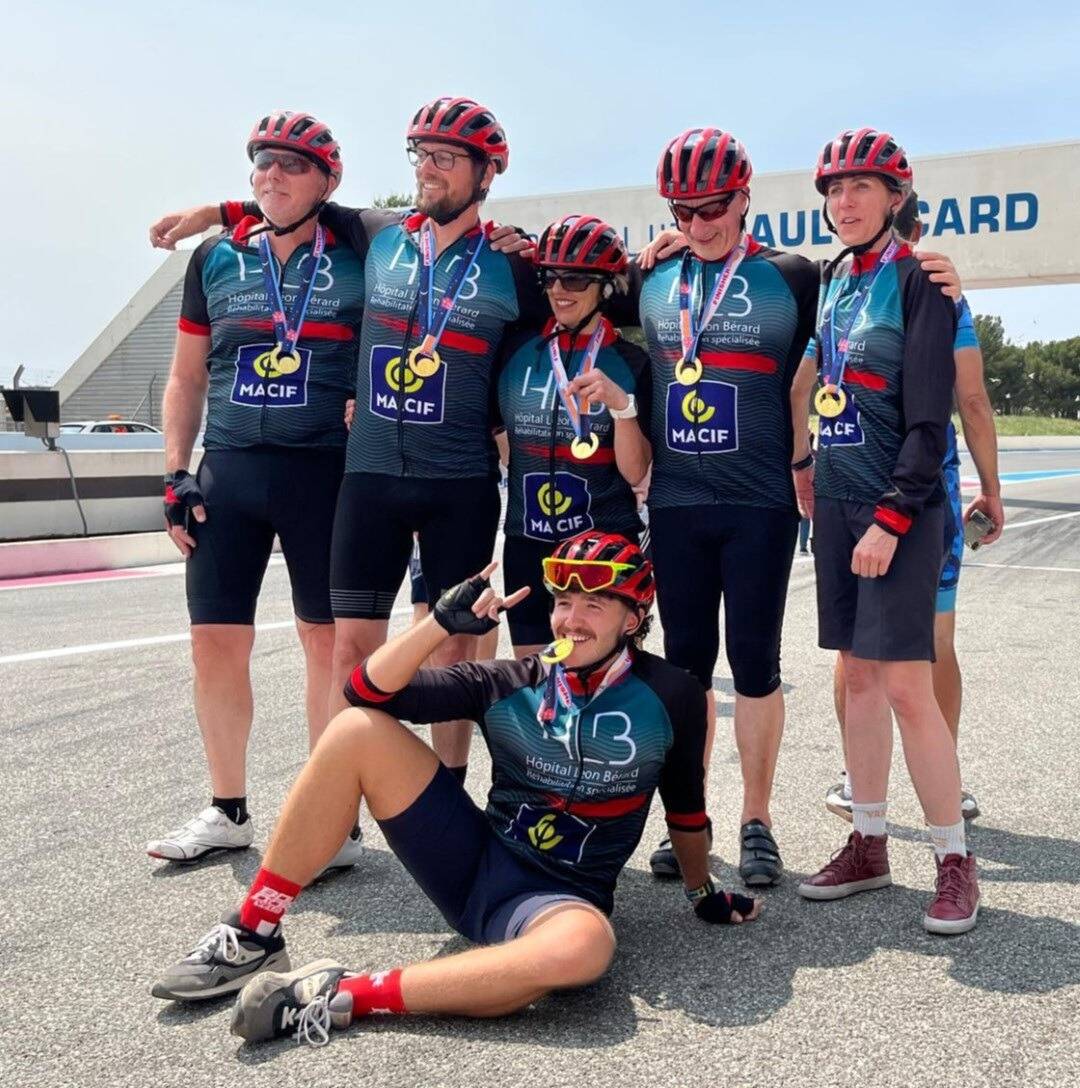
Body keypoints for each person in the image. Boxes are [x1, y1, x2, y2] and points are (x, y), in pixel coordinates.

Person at [150, 532, 759, 1048]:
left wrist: (702, 891)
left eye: (595, 604)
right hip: (470, 861)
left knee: (587, 948)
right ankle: (256, 931)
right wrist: (439, 625)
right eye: (564, 600)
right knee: (356, 731)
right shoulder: (511, 678)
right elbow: (367, 692)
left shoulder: (673, 694)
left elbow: (685, 808)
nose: (572, 618)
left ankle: (341, 994)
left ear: (634, 618)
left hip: (556, 902)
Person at [151, 97, 545, 787]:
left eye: (444, 159)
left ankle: (446, 789)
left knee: (455, 647)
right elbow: (287, 202)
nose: (427, 170)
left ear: (487, 174)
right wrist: (216, 213)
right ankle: (347, 797)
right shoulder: (378, 235)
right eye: (420, 155)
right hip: (367, 479)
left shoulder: (513, 267)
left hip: (462, 481)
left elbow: (557, 337)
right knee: (351, 654)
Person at [146, 110, 373, 873]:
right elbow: (185, 376)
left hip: (323, 470)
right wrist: (176, 471)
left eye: (290, 164)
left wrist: (218, 204)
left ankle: (332, 815)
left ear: (328, 180)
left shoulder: (360, 246)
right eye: (259, 163)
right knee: (214, 643)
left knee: (324, 645)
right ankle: (227, 809)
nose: (270, 175)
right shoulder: (213, 260)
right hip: (231, 470)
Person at [794, 128, 979, 934]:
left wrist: (895, 516)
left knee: (907, 684)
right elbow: (820, 383)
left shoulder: (922, 283)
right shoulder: (836, 282)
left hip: (896, 513)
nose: (845, 202)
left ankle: (954, 858)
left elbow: (930, 421)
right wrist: (804, 464)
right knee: (859, 680)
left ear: (896, 197)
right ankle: (869, 843)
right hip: (835, 506)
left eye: (861, 188)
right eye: (834, 191)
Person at [633, 128, 821, 888]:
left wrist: (932, 271)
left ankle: (758, 821)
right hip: (676, 504)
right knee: (684, 670)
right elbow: (561, 293)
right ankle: (690, 819)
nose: (699, 223)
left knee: (755, 665)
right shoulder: (651, 279)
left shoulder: (793, 276)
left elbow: (861, 328)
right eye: (683, 210)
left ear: (745, 198)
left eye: (713, 207)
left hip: (760, 503)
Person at [823, 291, 1004, 823]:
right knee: (934, 640)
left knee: (852, 650)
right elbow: (970, 397)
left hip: (847, 478)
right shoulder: (945, 292)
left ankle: (857, 781)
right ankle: (947, 778)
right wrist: (991, 487)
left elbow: (799, 387)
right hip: (926, 490)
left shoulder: (841, 287)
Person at [497, 215, 652, 657]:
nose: (560, 290)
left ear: (606, 286)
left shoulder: (631, 361)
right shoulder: (517, 352)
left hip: (603, 540)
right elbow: (494, 428)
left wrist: (622, 408)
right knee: (534, 675)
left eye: (576, 279)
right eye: (550, 278)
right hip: (527, 539)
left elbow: (637, 469)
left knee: (600, 677)